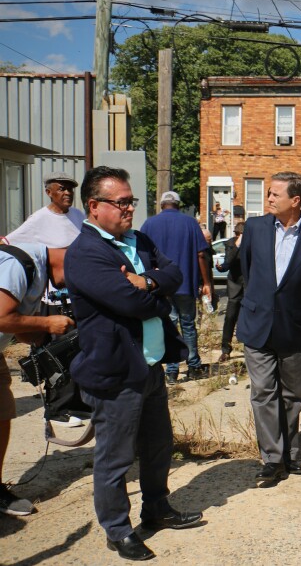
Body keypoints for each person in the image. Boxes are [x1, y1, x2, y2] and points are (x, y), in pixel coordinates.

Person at [65, 166, 202, 560]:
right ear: (93, 206)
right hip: (116, 373)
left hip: (151, 365)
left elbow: (175, 272)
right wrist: (156, 293)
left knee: (159, 445)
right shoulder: (86, 252)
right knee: (116, 457)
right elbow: (130, 303)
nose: (129, 209)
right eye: (120, 202)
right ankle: (118, 529)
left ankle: (156, 507)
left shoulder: (138, 241)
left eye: (131, 201)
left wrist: (150, 281)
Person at [237, 172, 301, 483]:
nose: (268, 199)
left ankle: (290, 452)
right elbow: (248, 273)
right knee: (264, 392)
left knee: (293, 396)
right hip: (257, 325)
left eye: (275, 194)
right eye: (268, 193)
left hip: (294, 327)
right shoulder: (254, 228)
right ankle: (273, 458)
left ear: (295, 200)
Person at [5, 172, 87, 426]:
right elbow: (8, 243)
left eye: (71, 189)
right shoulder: (39, 220)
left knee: (73, 349)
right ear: (48, 191)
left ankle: (75, 404)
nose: (67, 193)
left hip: (73, 294)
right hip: (48, 299)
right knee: (53, 352)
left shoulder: (78, 217)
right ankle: (56, 408)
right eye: (61, 188)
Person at [0, 243, 73, 516]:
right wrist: (47, 324)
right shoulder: (18, 265)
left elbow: (21, 329)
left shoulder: (37, 273)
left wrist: (47, 338)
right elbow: (2, 317)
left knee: (3, 414)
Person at [141, 191, 213, 384]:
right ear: (178, 205)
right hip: (185, 283)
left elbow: (142, 255)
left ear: (161, 205)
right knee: (188, 325)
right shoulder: (190, 223)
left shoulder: (149, 224)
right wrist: (206, 282)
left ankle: (171, 370)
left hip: (161, 285)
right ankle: (193, 366)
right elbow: (200, 255)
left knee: (170, 326)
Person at [217, 222, 245, 362]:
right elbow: (228, 261)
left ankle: (250, 348)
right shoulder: (231, 243)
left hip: (250, 285)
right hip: (235, 286)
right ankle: (225, 350)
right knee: (230, 317)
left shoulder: (253, 243)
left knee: (249, 318)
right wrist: (238, 244)